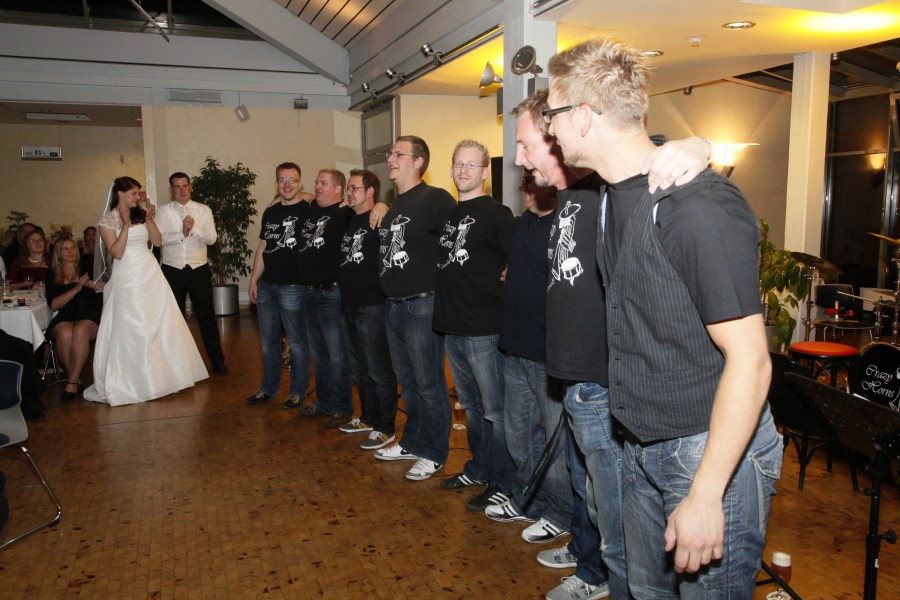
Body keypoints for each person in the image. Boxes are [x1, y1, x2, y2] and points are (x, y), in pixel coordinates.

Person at [547, 38, 780, 597]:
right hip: (640, 443)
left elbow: (751, 360)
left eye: (553, 114)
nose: (549, 129)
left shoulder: (696, 206)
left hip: (706, 451)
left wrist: (707, 493)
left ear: (584, 116)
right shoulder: (611, 195)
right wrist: (696, 143)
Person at [434, 139, 517, 511]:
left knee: (495, 410)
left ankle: (503, 480)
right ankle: (480, 467)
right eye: (458, 164)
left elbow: (520, 259)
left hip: (485, 329)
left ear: (485, 172)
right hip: (453, 327)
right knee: (470, 406)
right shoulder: (450, 215)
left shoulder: (497, 214)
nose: (463, 170)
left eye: (471, 165)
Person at [84, 177, 208, 406]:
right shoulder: (107, 221)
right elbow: (117, 252)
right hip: (127, 276)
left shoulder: (140, 214)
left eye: (138, 193)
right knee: (133, 324)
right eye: (133, 193)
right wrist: (124, 226)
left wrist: (149, 219)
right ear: (120, 194)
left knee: (160, 321)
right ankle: (134, 381)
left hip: (149, 272)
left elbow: (157, 242)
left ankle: (165, 377)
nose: (138, 197)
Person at [374, 135, 456, 481]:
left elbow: (456, 243)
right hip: (393, 306)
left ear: (419, 161)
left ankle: (434, 453)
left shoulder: (435, 198)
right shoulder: (395, 205)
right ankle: (412, 442)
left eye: (399, 154)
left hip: (422, 306)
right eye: (390, 153)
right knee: (407, 383)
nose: (390, 158)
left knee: (429, 384)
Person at [337, 169, 399, 449]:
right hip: (348, 303)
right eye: (348, 188)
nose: (348, 193)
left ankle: (385, 427)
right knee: (359, 368)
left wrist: (385, 206)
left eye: (354, 188)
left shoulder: (381, 218)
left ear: (370, 192)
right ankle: (368, 417)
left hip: (372, 305)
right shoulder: (350, 218)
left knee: (378, 369)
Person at [246, 163, 312, 409]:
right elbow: (263, 247)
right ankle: (268, 389)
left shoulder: (309, 208)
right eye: (282, 180)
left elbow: (328, 199)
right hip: (267, 286)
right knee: (268, 343)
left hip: (293, 287)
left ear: (300, 183)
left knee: (297, 342)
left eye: (292, 180)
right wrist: (254, 280)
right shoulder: (271, 211)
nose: (287, 185)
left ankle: (297, 392)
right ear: (276, 184)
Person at [295, 169, 354, 425]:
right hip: (309, 292)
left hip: (331, 293)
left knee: (337, 355)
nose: (317, 186)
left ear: (339, 189)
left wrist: (381, 205)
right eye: (317, 182)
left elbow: (373, 208)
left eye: (323, 183)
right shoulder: (313, 209)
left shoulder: (346, 213)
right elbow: (296, 195)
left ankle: (342, 408)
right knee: (319, 354)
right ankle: (324, 403)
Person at [155, 172, 228, 375]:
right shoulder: (162, 212)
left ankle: (218, 361)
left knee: (207, 318)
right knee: (173, 319)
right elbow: (158, 239)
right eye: (177, 187)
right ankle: (175, 367)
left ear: (190, 187)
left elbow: (212, 238)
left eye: (185, 186)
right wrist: (182, 233)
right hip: (172, 270)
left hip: (199, 270)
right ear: (171, 190)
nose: (182, 190)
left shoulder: (203, 210)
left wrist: (193, 228)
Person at [45, 237, 102, 402]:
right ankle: (75, 379)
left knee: (80, 331)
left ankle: (71, 382)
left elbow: (107, 286)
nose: (71, 251)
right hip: (66, 315)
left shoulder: (88, 266)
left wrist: (90, 283)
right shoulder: (52, 274)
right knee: (64, 333)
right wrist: (75, 289)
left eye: (73, 247)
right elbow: (54, 305)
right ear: (58, 254)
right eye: (65, 248)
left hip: (90, 314)